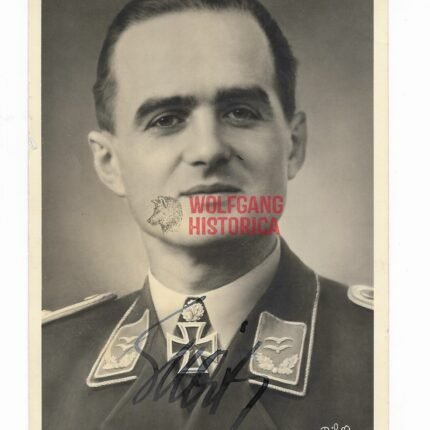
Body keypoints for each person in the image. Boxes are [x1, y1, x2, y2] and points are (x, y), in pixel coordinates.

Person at [42, 0, 373, 429]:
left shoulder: (393, 350)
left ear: (293, 145)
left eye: (240, 112)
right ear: (110, 163)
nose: (208, 149)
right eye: (166, 119)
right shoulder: (39, 364)